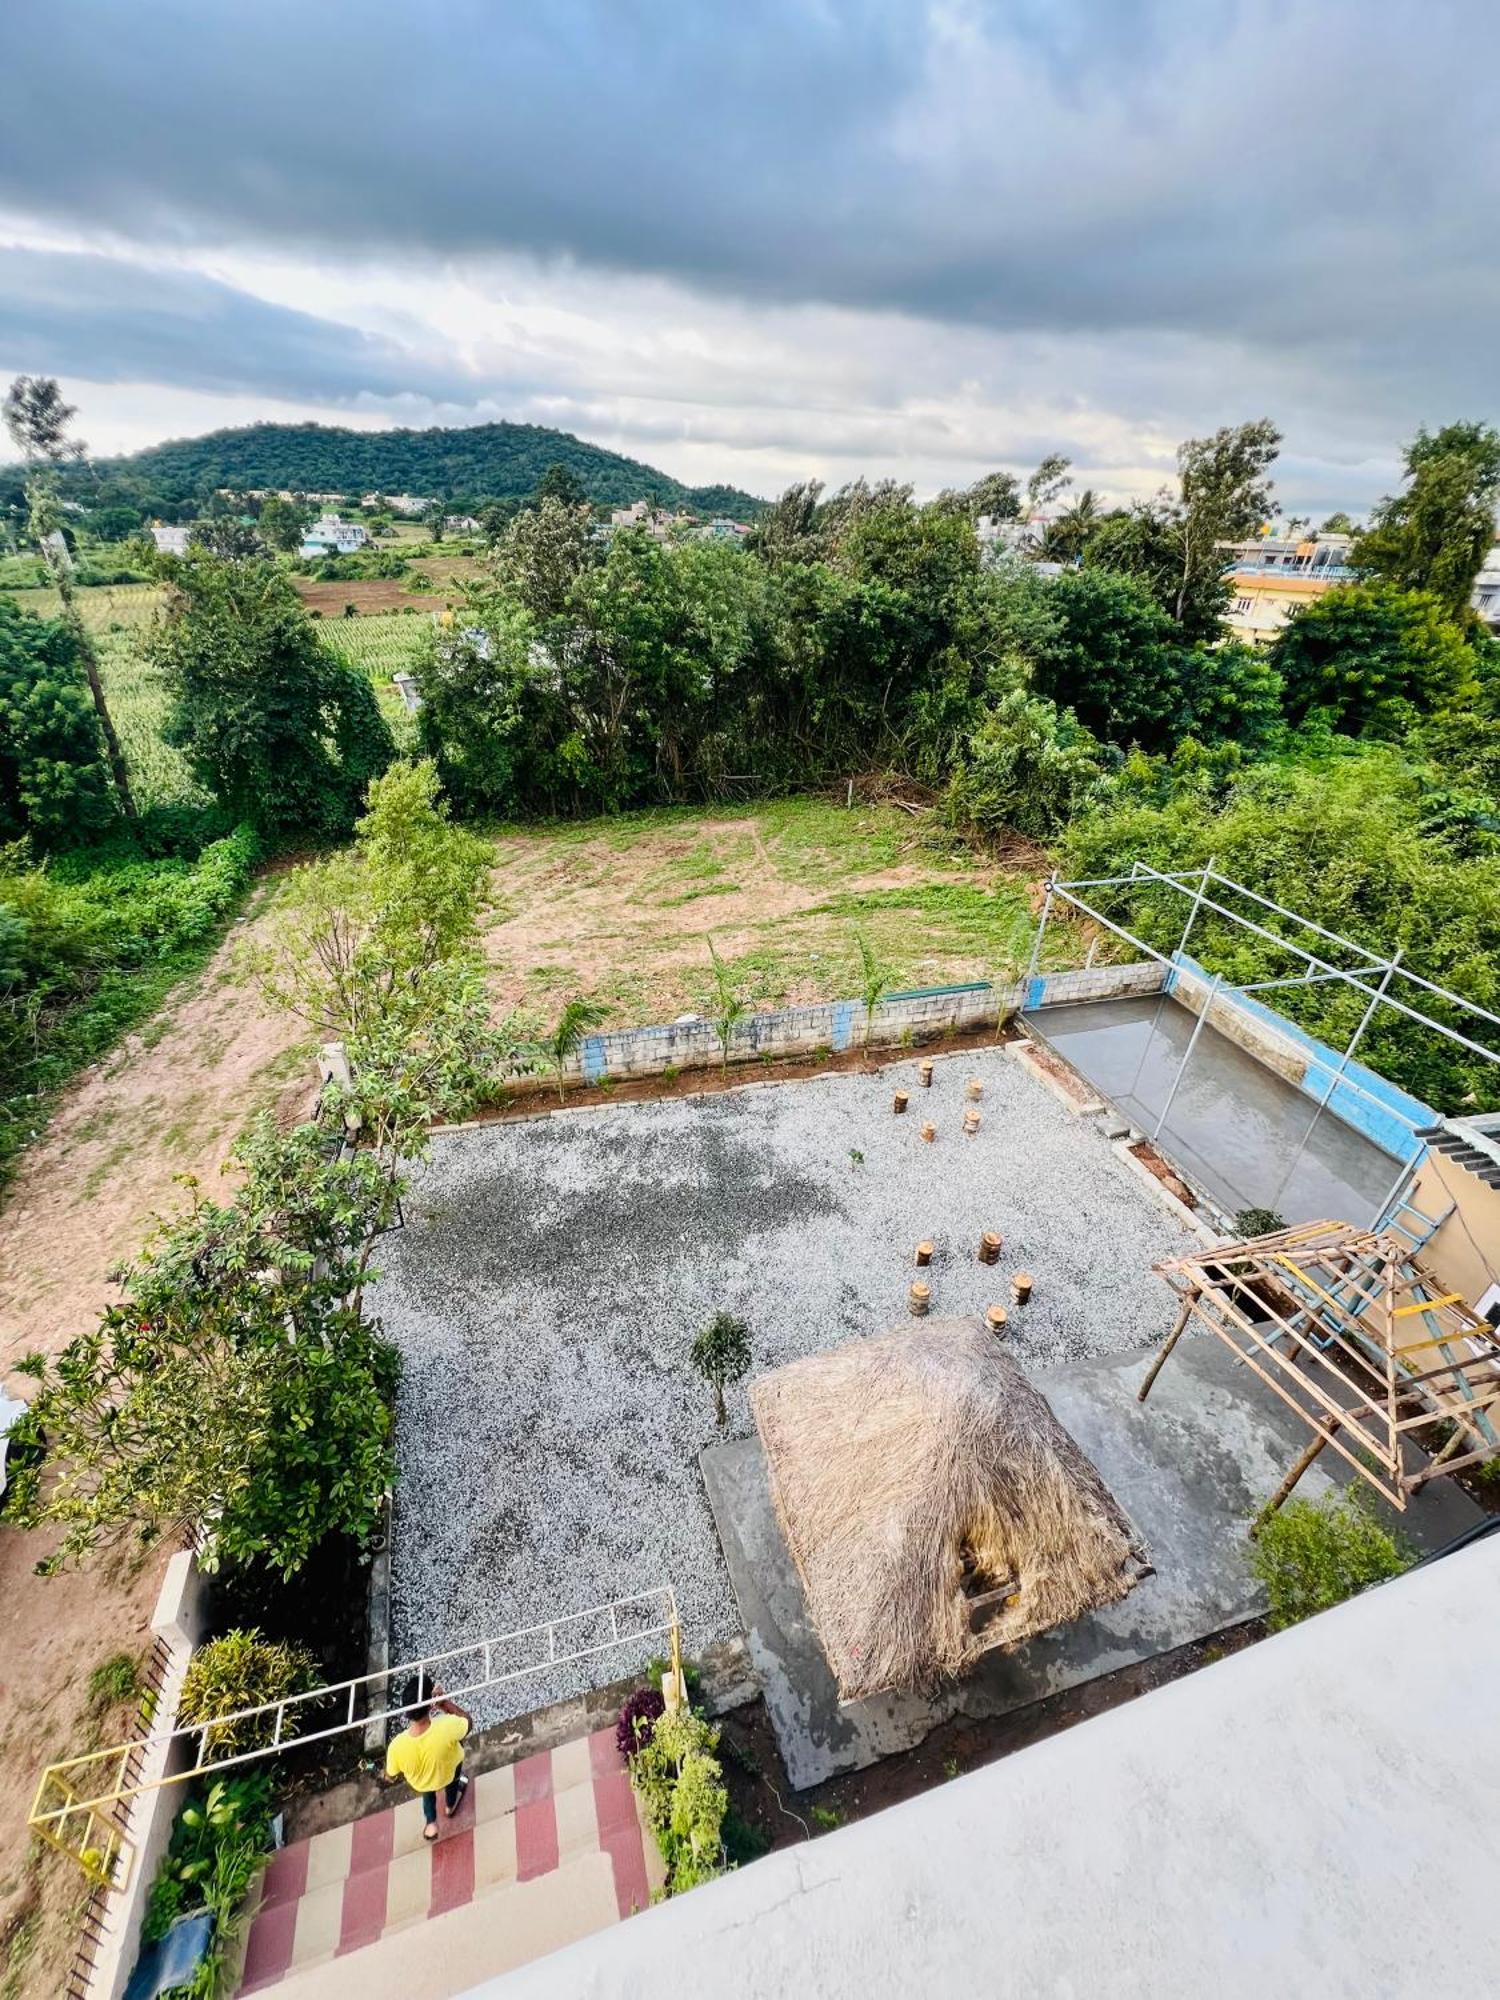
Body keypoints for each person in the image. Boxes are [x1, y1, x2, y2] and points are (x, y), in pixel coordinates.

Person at [385, 1675, 472, 1840]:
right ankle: (449, 1806)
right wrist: (444, 1703)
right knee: (453, 1784)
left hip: (423, 1783)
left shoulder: (396, 1747)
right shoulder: (447, 1725)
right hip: (449, 1772)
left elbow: (390, 1776)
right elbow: (468, 1722)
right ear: (431, 1704)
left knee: (427, 1795)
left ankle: (431, 1824)